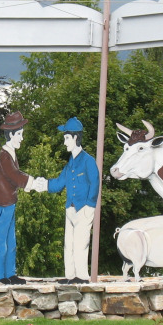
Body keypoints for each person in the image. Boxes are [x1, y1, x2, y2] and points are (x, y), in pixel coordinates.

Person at [34, 117, 99, 283]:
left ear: (75, 138)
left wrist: (89, 206)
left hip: (83, 209)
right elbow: (59, 183)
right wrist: (43, 184)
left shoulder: (88, 161)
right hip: (70, 209)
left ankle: (82, 277)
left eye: (66, 138)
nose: (64, 142)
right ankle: (70, 276)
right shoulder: (70, 164)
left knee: (80, 244)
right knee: (68, 245)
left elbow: (95, 183)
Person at [0, 111, 36, 285]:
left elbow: (16, 177)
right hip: (2, 205)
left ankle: (10, 273)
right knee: (1, 243)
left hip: (9, 204)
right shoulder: (4, 155)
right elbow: (15, 176)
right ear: (10, 135)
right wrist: (33, 183)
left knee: (11, 241)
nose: (22, 138)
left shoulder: (10, 154)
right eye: (19, 134)